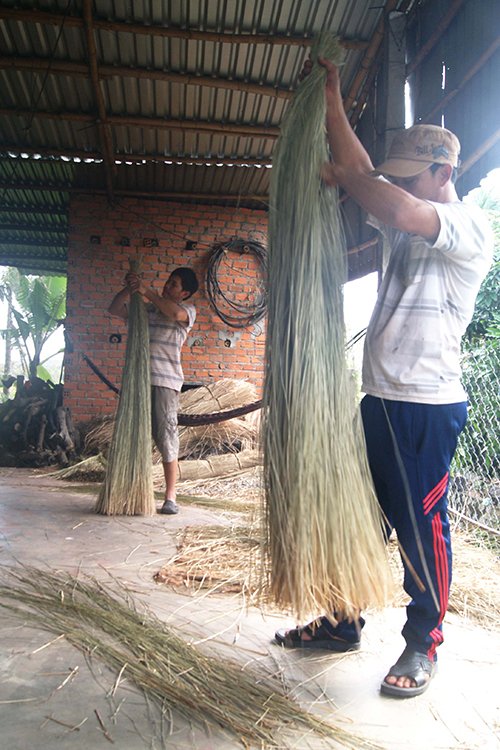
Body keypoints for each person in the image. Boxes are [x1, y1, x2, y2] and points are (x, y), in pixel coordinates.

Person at [274, 56, 494, 698]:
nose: (397, 187)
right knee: (355, 516)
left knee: (422, 527)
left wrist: (349, 176)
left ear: (443, 173)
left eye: (410, 178)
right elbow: (371, 179)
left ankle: (423, 641)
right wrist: (333, 98)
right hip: (379, 398)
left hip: (426, 406)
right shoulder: (406, 216)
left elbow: (388, 202)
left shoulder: (466, 227)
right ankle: (342, 621)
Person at [108, 266, 199, 515]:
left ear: (185, 293)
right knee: (133, 434)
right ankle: (128, 491)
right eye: (168, 281)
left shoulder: (186, 311)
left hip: (165, 383)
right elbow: (114, 309)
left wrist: (145, 290)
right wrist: (130, 289)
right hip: (137, 381)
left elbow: (172, 312)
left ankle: (170, 496)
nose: (168, 286)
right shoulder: (145, 310)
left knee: (166, 435)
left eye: (174, 284)